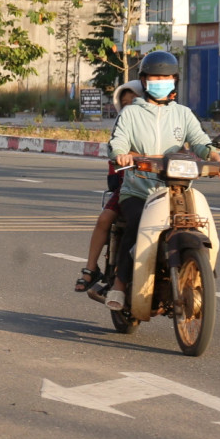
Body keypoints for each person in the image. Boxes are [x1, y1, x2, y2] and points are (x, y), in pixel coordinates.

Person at [105, 51, 220, 311]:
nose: (160, 80)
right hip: (139, 190)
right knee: (137, 228)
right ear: (144, 80)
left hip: (176, 190)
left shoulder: (183, 114)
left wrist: (217, 159)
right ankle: (119, 285)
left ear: (174, 80)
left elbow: (200, 141)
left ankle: (200, 276)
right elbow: (118, 142)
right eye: (155, 76)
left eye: (166, 76)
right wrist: (121, 154)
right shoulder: (130, 114)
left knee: (204, 227)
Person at [74, 80, 143, 294]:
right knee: (105, 219)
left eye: (135, 100)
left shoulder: (170, 118)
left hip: (165, 186)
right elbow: (115, 150)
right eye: (125, 103)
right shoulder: (122, 125)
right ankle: (91, 268)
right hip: (131, 185)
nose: (130, 106)